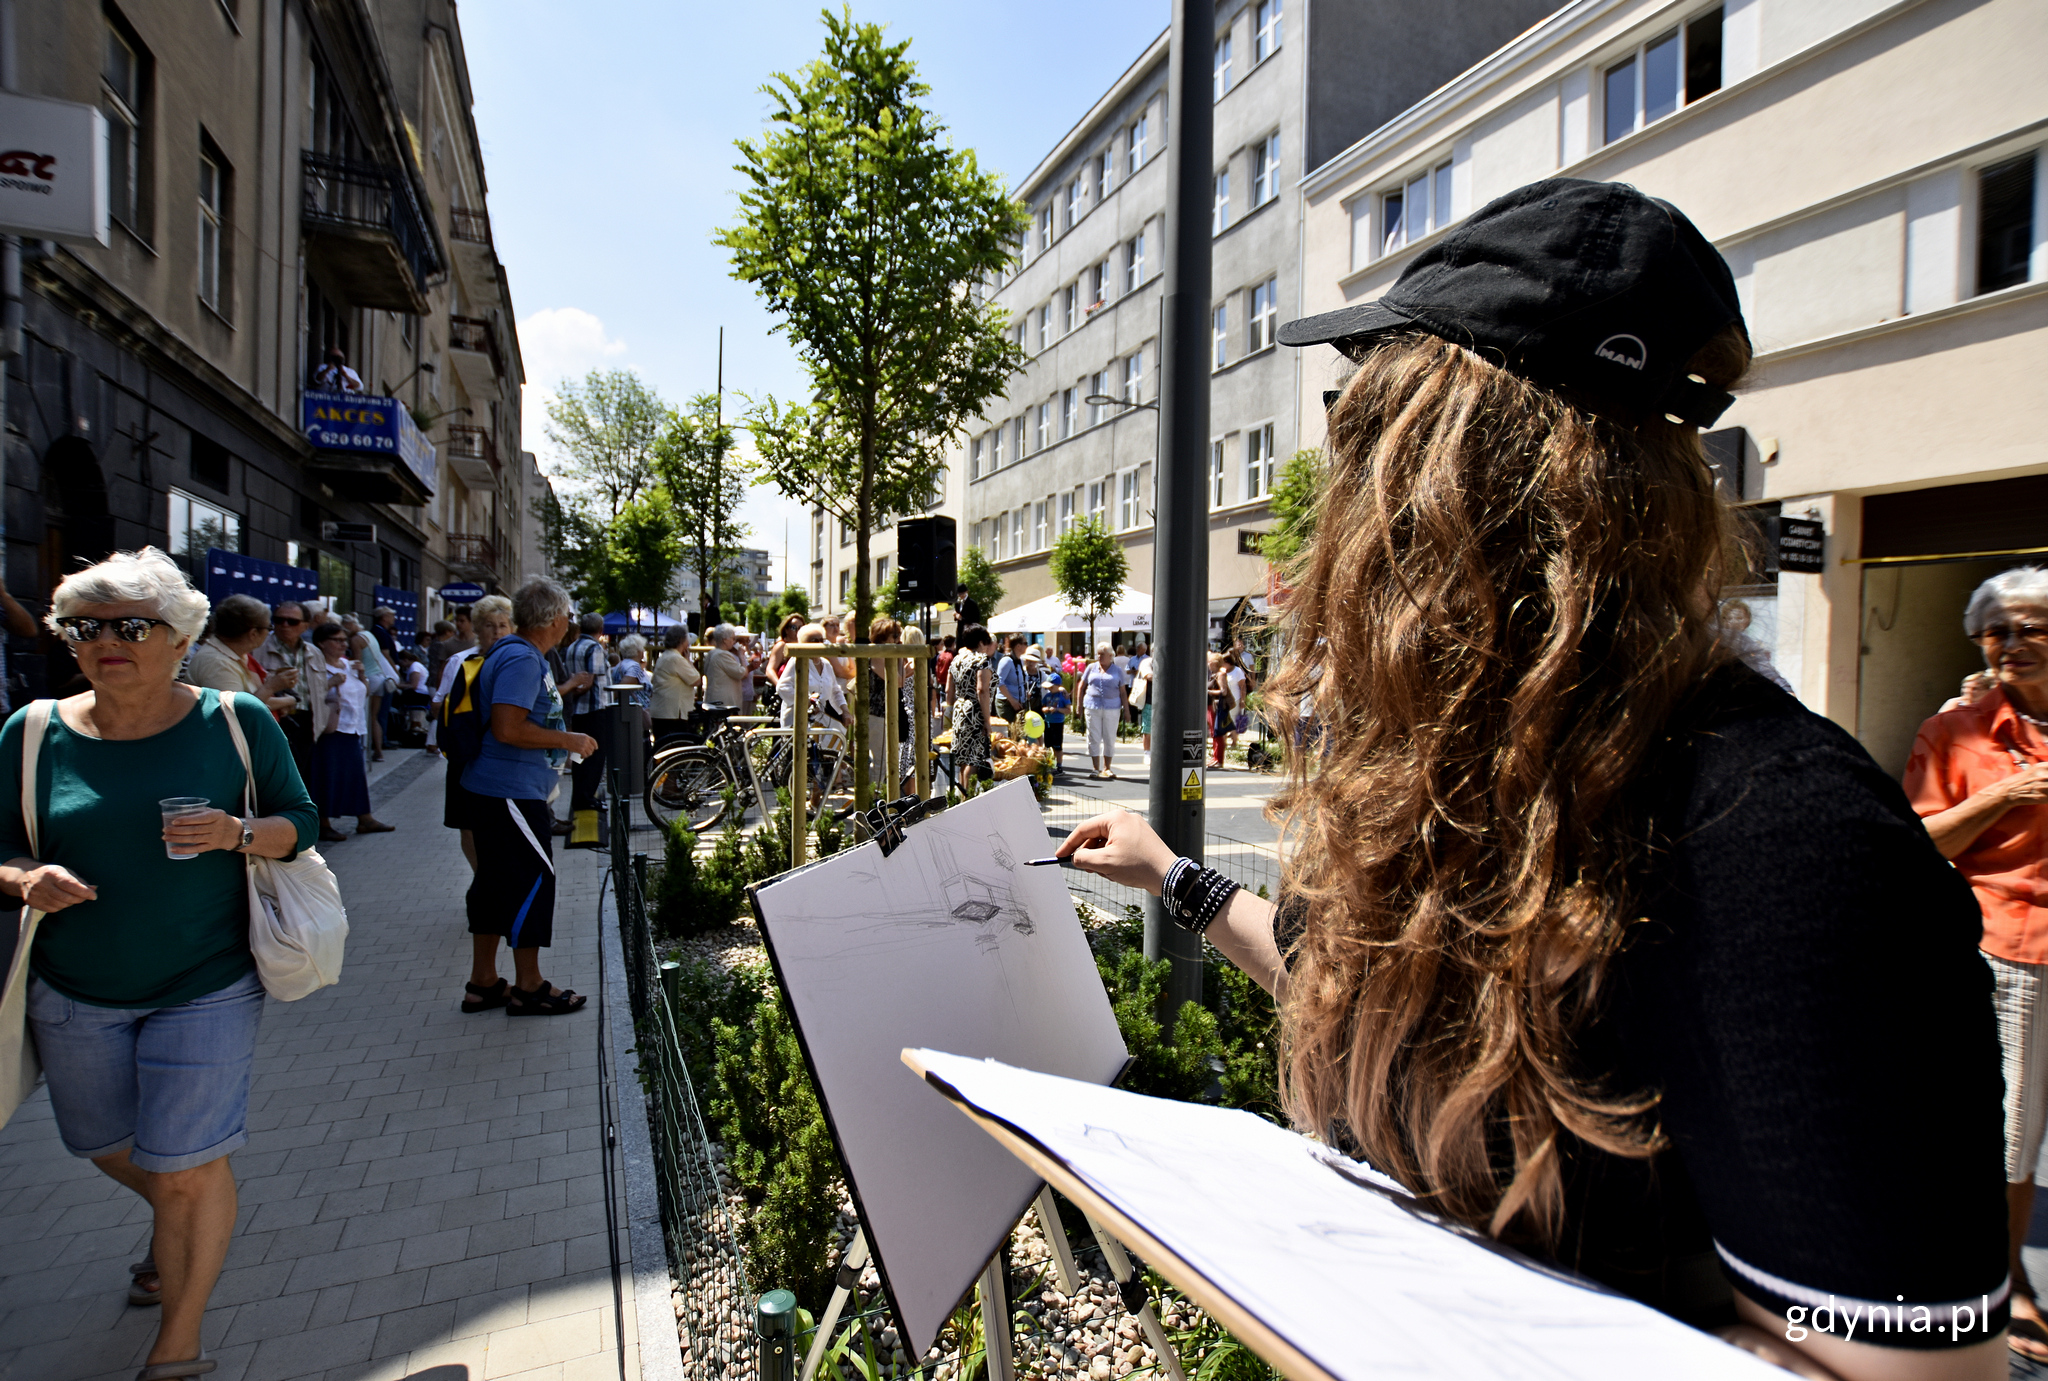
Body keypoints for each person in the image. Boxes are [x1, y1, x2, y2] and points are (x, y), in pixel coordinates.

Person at [1053, 178, 2008, 1379]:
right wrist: (1176, 879)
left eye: (1360, 432)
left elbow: (1913, 1372)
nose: (1329, 509)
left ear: (1453, 488)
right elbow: (1353, 990)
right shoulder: (1454, 765)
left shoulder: (1783, 837)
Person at [0, 547, 317, 1377]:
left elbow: (300, 820)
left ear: (180, 638)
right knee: (107, 1143)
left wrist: (236, 832)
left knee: (184, 1166)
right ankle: (186, 1213)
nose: (108, 640)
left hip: (205, 983)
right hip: (74, 988)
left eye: (132, 624)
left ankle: (177, 1346)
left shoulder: (235, 721)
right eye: (87, 626)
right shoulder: (31, 732)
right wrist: (22, 875)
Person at [1904, 568, 2048, 1359]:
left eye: (2031, 627)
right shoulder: (1954, 731)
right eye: (1998, 631)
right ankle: (2008, 1279)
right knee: (2013, 1131)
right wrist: (2007, 797)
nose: (2013, 645)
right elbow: (1914, 845)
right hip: (2015, 946)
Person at [460, 577, 596, 1016]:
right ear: (555, 619)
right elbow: (508, 728)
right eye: (568, 617)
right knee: (533, 882)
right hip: (510, 794)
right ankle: (529, 986)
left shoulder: (513, 652)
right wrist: (568, 739)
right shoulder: (521, 659)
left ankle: (483, 982)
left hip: (496, 790)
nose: (568, 624)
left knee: (494, 884)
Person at [437, 595, 513, 875]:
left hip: (500, 759)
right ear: (477, 630)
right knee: (468, 825)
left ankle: (494, 882)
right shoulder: (461, 662)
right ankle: (482, 880)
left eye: (503, 625)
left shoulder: (518, 661)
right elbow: (439, 705)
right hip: (465, 756)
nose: (497, 632)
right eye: (490, 625)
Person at [308, 621, 392, 841]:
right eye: (337, 640)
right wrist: (330, 683)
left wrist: (362, 675)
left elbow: (363, 693)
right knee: (328, 776)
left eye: (344, 640)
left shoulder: (348, 665)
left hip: (352, 728)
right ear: (321, 643)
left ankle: (364, 817)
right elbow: (309, 695)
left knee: (355, 775)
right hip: (331, 729)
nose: (343, 644)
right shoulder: (316, 667)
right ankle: (323, 822)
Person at [182, 594, 299, 717]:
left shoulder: (233, 654)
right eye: (269, 627)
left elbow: (252, 700)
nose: (269, 632)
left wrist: (287, 700)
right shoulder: (218, 663)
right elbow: (237, 712)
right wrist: (270, 687)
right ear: (253, 634)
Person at [253, 600, 325, 796]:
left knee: (305, 779)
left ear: (305, 625)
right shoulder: (258, 649)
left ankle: (305, 824)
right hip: (276, 719)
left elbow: (320, 691)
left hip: (308, 721)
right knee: (280, 782)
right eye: (279, 620)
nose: (284, 625)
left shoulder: (314, 652)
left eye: (291, 621)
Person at [555, 613, 608, 832]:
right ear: (600, 629)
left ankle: (579, 793)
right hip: (594, 708)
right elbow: (589, 681)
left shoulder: (572, 646)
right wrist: (576, 692)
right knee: (595, 754)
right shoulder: (594, 648)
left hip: (577, 711)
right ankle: (586, 797)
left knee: (578, 756)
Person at [947, 625, 996, 782]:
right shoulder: (982, 661)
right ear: (981, 643)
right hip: (975, 711)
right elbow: (982, 690)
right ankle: (969, 798)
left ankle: (962, 797)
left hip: (959, 708)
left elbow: (949, 690)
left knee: (963, 759)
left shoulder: (957, 660)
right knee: (974, 759)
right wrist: (987, 721)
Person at [649, 625, 702, 745]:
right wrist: (689, 661)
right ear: (682, 641)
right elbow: (696, 680)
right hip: (672, 713)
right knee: (676, 747)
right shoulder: (676, 659)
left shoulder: (664, 656)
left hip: (662, 711)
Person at [1078, 643, 1124, 780]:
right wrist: (1078, 705)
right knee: (1093, 736)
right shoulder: (1091, 668)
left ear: (1110, 655)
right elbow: (1082, 685)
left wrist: (1126, 711)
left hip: (1112, 707)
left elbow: (1122, 691)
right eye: (1098, 653)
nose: (1099, 656)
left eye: (1102, 654)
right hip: (1092, 706)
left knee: (1109, 737)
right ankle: (1095, 768)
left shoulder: (1117, 671)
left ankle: (1107, 768)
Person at [1032, 646, 1069, 776]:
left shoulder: (1062, 696)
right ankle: (1048, 764)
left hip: (1058, 722)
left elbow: (1068, 710)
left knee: (1057, 745)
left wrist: (1057, 709)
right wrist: (1046, 709)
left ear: (1058, 686)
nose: (1049, 689)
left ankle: (1059, 766)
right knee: (1047, 745)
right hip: (1047, 721)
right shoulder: (1047, 696)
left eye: (1051, 687)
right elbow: (1042, 707)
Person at [704, 624, 749, 709]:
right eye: (732, 638)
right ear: (725, 640)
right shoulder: (723, 655)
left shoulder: (711, 653)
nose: (734, 641)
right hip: (724, 703)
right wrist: (741, 657)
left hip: (715, 700)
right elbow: (742, 673)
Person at [1206, 651, 1234, 770]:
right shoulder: (1213, 674)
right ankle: (1215, 757)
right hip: (1211, 705)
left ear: (1214, 663)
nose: (1208, 664)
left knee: (1218, 733)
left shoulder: (1220, 675)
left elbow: (1224, 691)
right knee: (1213, 733)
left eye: (1209, 662)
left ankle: (1219, 759)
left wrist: (1208, 692)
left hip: (1217, 707)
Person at [994, 635, 1030, 725]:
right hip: (1006, 704)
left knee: (1019, 733)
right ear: (1018, 646)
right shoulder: (1007, 661)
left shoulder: (1020, 660)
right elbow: (998, 682)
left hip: (1019, 703)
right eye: (1025, 643)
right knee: (1009, 733)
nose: (1027, 646)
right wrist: (1012, 701)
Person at [611, 634, 653, 708]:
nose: (643, 650)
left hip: (622, 707)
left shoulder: (619, 665)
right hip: (633, 711)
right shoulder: (634, 666)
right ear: (638, 651)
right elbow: (624, 686)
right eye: (642, 648)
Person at [425, 617, 462, 690]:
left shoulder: (434, 644)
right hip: (438, 682)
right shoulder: (441, 646)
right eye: (452, 632)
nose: (453, 635)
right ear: (447, 632)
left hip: (434, 681)